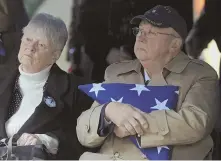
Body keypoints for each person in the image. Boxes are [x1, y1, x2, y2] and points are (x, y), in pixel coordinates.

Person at [76, 5, 219, 160]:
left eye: (151, 33)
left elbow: (195, 122)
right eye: (139, 31)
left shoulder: (200, 74)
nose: (140, 37)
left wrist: (132, 124)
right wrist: (108, 112)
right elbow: (83, 134)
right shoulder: (115, 72)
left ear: (174, 45)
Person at [0, 13, 93, 159]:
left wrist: (48, 141)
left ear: (55, 55)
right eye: (28, 39)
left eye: (41, 44)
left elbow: (83, 141)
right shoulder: (3, 79)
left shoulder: (76, 90)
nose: (30, 48)